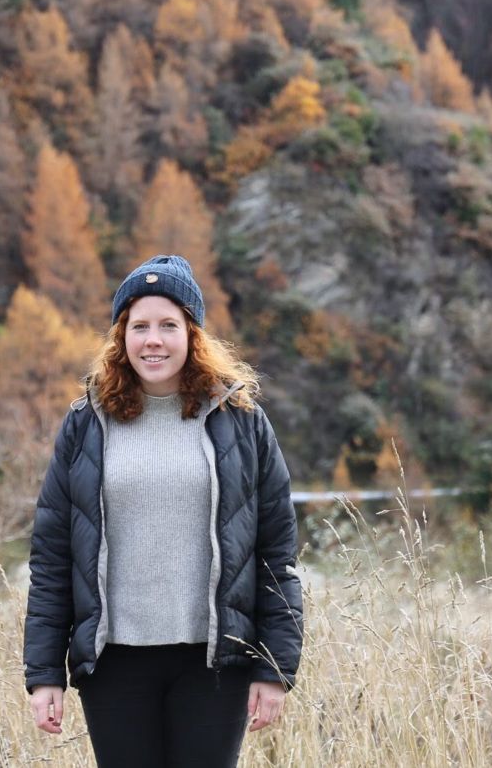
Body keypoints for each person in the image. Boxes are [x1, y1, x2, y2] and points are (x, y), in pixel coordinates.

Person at [23, 254, 304, 768]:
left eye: (168, 325)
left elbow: (275, 554)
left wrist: (274, 667)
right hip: (114, 664)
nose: (153, 340)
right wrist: (44, 674)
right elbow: (53, 557)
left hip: (216, 663)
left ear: (192, 334)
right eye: (140, 326)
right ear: (121, 336)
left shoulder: (241, 423)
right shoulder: (87, 425)